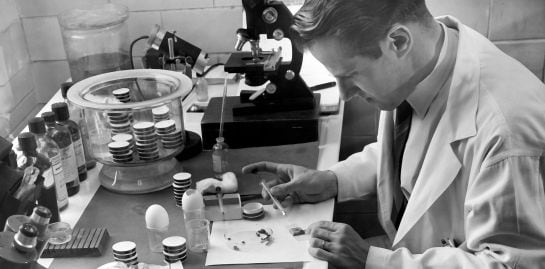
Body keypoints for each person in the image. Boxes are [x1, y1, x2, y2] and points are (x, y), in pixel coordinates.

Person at [242, 0, 545, 268]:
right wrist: (333, 180)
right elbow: (416, 154)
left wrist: (372, 260)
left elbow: (511, 264)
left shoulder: (506, 131)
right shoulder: (428, 59)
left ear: (398, 41)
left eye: (349, 75)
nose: (345, 94)